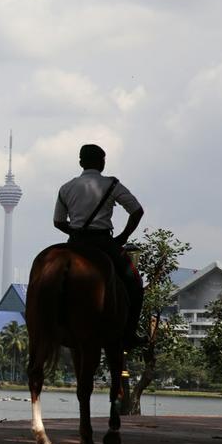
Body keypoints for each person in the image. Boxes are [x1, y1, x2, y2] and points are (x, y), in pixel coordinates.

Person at [53, 144, 147, 349]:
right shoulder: (112, 185)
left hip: (75, 243)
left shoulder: (66, 187)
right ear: (102, 162)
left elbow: (58, 222)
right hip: (104, 243)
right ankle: (129, 333)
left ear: (80, 162)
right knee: (135, 283)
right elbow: (137, 211)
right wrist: (122, 237)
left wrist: (77, 233)